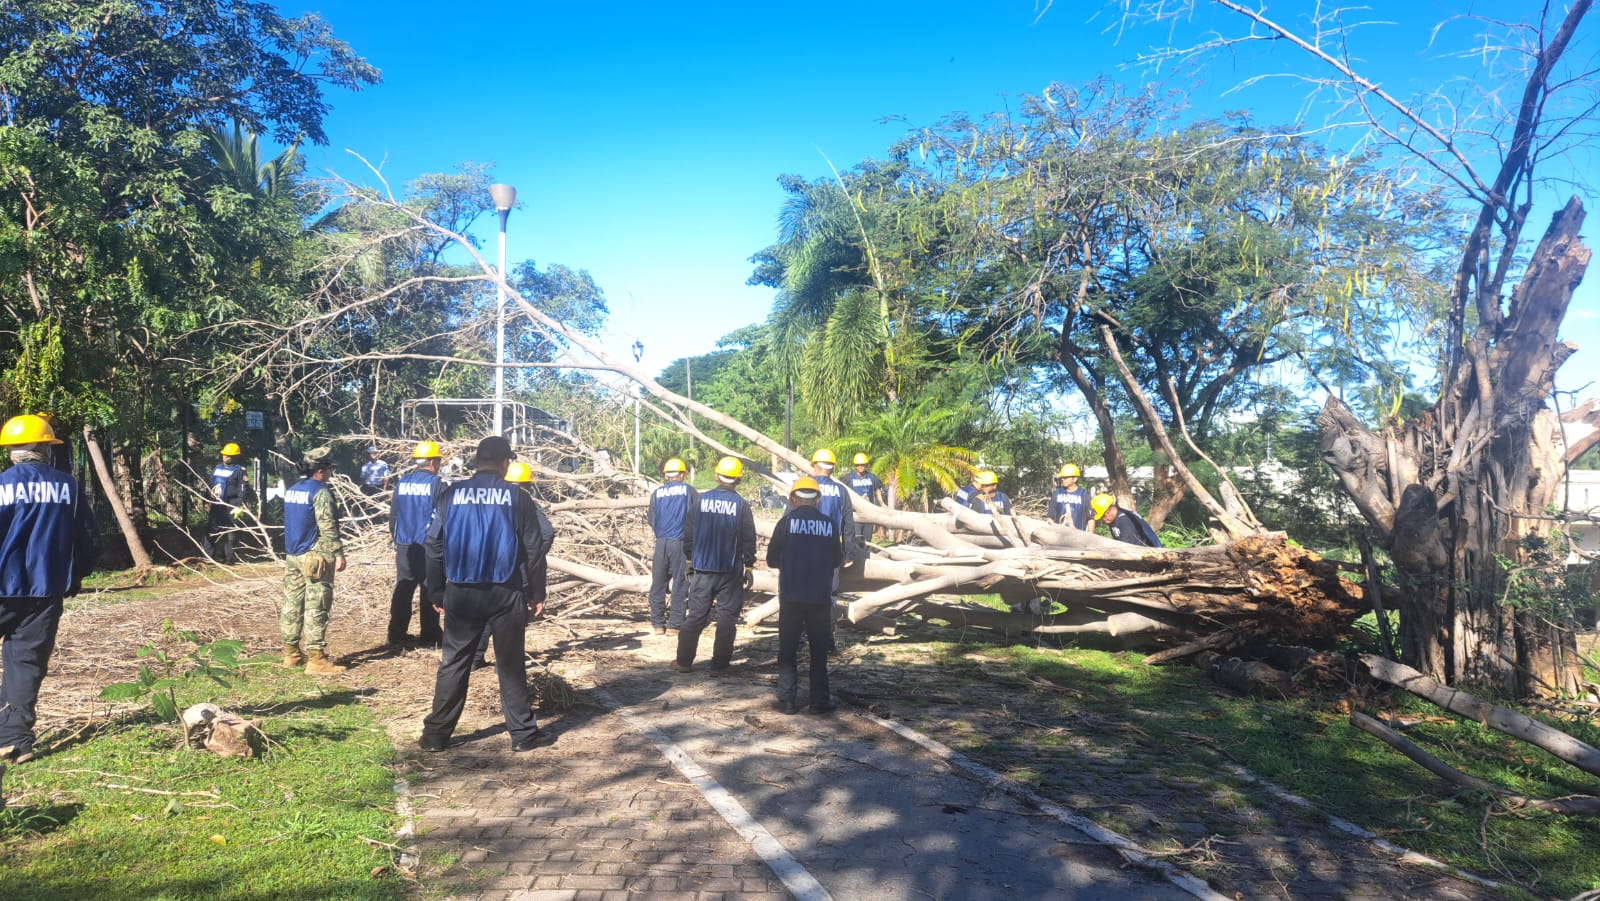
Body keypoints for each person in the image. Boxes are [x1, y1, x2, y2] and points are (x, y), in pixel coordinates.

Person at [421, 437, 554, 753]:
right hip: (504, 591)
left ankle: (436, 736)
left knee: (454, 663)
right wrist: (536, 592)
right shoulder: (517, 497)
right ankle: (523, 735)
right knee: (509, 663)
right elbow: (535, 549)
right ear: (506, 462)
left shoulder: (449, 494)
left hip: (460, 591)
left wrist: (436, 589)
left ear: (476, 460)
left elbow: (433, 545)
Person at [0, 414, 100, 762]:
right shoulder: (68, 487)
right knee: (25, 663)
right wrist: (75, 577)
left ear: (10, 451)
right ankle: (13, 740)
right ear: (45, 447)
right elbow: (88, 540)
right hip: (46, 589)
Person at [766, 477, 843, 715]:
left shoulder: (785, 523)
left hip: (790, 597)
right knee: (819, 651)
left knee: (788, 650)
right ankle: (819, 701)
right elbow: (837, 560)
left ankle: (787, 700)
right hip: (819, 599)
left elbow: (771, 559)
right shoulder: (829, 525)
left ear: (793, 498)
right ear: (818, 500)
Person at [673, 456, 756, 674]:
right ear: (738, 479)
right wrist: (749, 566)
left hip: (702, 570)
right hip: (730, 572)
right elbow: (749, 538)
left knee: (696, 616)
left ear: (717, 475)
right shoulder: (741, 505)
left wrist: (690, 559)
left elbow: (688, 533)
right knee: (727, 619)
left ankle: (683, 662)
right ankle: (719, 665)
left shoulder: (700, 501)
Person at [468, 460, 554, 669]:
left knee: (487, 615)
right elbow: (547, 533)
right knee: (513, 619)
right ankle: (506, 662)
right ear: (528, 485)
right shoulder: (527, 504)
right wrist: (532, 553)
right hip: (518, 570)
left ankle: (475, 658)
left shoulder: (494, 502)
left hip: (487, 567)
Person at [281, 447, 349, 675]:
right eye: (329, 469)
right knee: (317, 605)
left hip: (292, 554)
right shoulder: (320, 492)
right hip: (315, 556)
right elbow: (327, 526)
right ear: (321, 471)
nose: (330, 474)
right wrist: (338, 553)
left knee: (292, 603)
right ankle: (316, 659)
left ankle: (291, 653)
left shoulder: (293, 489)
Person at [387, 440, 446, 648]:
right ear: (432, 462)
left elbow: (394, 514)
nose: (439, 464)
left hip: (404, 544)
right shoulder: (437, 484)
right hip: (428, 545)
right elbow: (443, 517)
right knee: (430, 588)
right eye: (438, 460)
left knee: (403, 588)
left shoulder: (402, 482)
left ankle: (396, 633)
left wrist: (397, 539)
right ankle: (429, 634)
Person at [646, 457, 697, 635]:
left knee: (658, 584)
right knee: (680, 584)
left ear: (667, 476)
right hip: (680, 543)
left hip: (661, 543)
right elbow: (696, 518)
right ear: (682, 474)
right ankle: (674, 625)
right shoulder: (689, 491)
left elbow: (651, 519)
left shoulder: (657, 493)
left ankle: (658, 624)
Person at [205, 442, 252, 564]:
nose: (225, 456)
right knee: (211, 530)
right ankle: (209, 557)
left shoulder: (240, 471)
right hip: (216, 504)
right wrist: (206, 500)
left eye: (228, 455)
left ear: (235, 457)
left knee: (230, 533)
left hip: (232, 504)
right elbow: (210, 485)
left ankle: (229, 559)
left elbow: (243, 489)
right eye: (224, 454)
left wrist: (240, 505)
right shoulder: (217, 468)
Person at [1091, 493, 1163, 547]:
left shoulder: (1124, 520)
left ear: (1109, 510)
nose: (1104, 520)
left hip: (1144, 553)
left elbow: (1127, 546)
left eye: (1103, 516)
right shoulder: (1113, 520)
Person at [844, 452, 885, 544]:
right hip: (855, 514)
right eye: (858, 465)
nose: (860, 467)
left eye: (862, 464)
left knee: (867, 539)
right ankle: (856, 557)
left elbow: (878, 489)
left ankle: (867, 556)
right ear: (855, 465)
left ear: (866, 465)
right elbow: (842, 489)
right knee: (857, 538)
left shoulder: (872, 477)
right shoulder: (849, 477)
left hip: (869, 513)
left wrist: (882, 503)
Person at [1047, 463, 1093, 531]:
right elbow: (1050, 518)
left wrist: (1090, 538)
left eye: (1066, 477)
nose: (1063, 479)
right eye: (1062, 477)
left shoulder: (1084, 495)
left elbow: (1090, 519)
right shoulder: (1057, 493)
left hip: (1078, 537)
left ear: (1075, 479)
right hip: (1059, 536)